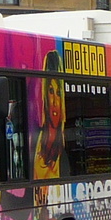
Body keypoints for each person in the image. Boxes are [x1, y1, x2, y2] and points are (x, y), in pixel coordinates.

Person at [33, 50, 69, 180]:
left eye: (59, 94)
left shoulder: (64, 153)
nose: (54, 101)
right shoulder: (35, 143)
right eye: (51, 91)